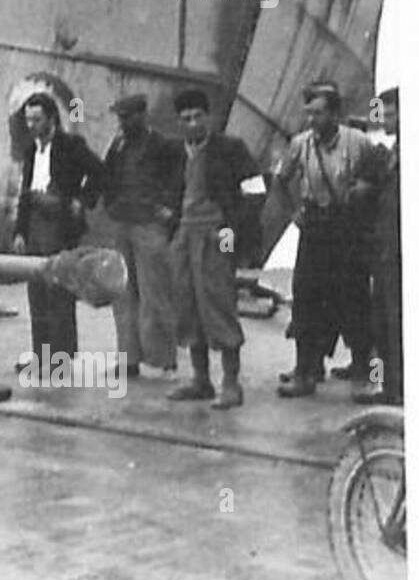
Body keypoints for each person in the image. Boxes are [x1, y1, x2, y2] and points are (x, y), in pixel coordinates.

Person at [273, 82, 382, 398]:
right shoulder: (301, 144)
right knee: (306, 297)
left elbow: (379, 179)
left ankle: (363, 370)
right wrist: (293, 211)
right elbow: (280, 180)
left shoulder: (358, 142)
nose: (311, 120)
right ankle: (306, 371)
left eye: (318, 113)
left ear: (336, 113)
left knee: (354, 300)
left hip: (347, 231)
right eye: (308, 113)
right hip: (315, 230)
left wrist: (363, 191)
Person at [165, 89, 257, 408]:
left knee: (218, 304)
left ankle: (231, 383)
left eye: (197, 117)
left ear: (209, 117)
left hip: (217, 234)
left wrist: (232, 233)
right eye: (185, 119)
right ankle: (200, 379)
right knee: (187, 306)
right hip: (184, 235)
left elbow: (255, 192)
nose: (192, 123)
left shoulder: (231, 149)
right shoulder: (177, 153)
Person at [12, 91, 103, 368]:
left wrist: (81, 201)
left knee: (59, 289)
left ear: (51, 118)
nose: (32, 126)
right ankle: (41, 356)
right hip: (35, 221)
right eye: (28, 120)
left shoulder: (70, 145)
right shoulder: (30, 150)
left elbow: (100, 171)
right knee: (36, 288)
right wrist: (20, 231)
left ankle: (61, 357)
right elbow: (24, 193)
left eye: (37, 119)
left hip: (60, 221)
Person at [98, 93, 181, 379]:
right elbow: (107, 177)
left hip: (149, 225)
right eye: (120, 117)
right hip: (123, 222)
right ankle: (128, 358)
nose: (122, 122)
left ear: (141, 115)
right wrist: (110, 205)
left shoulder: (162, 145)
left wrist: (167, 210)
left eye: (127, 117)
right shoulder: (118, 145)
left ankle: (164, 358)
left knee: (156, 292)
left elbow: (178, 180)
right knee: (123, 293)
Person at [359, 86, 401, 405]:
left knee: (396, 321)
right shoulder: (393, 154)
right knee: (383, 321)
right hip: (385, 252)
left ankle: (396, 389)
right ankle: (388, 386)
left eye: (390, 112)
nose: (384, 118)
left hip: (398, 256)